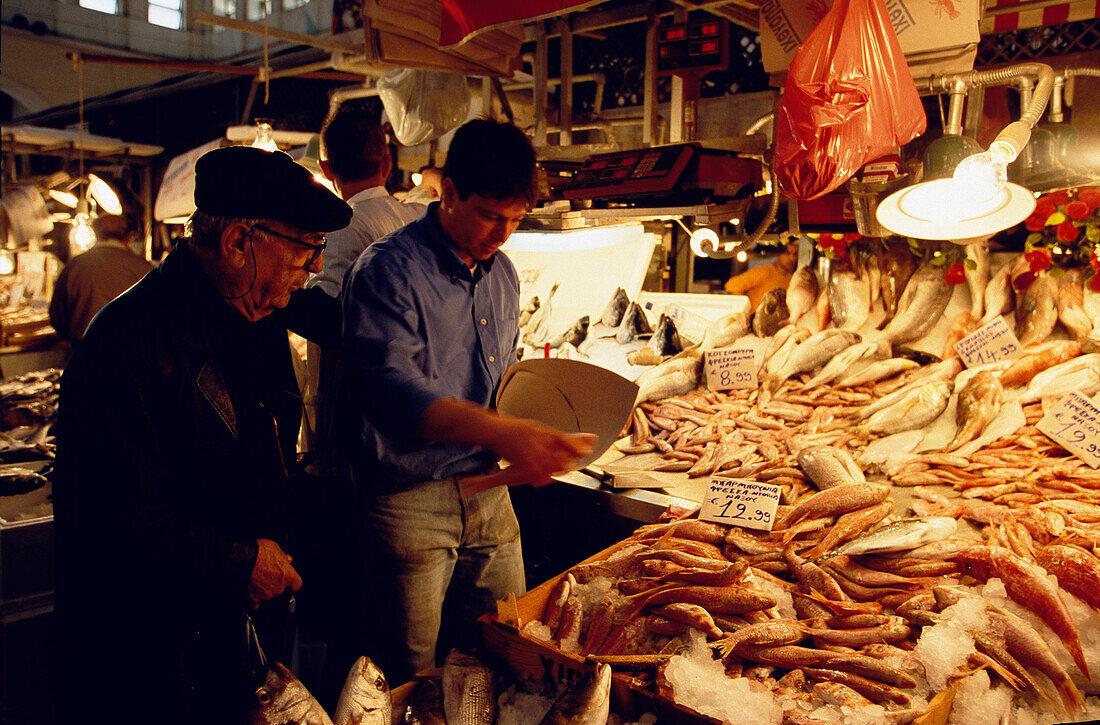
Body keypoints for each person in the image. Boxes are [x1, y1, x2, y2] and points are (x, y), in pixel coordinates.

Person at [53, 145, 352, 723]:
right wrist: (240, 560)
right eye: (305, 247)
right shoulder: (126, 342)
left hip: (235, 632)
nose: (315, 266)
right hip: (150, 655)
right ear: (239, 241)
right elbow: (119, 518)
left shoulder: (257, 309)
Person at [339, 118, 595, 683]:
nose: (502, 234)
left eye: (515, 219)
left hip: (488, 493)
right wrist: (509, 433)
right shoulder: (386, 271)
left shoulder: (502, 274)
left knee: (512, 647)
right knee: (408, 675)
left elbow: (499, 380)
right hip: (408, 501)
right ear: (448, 191)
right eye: (488, 215)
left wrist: (548, 426)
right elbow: (395, 396)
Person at [48, 212, 153, 342]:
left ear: (95, 234)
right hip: (131, 350)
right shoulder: (143, 268)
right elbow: (158, 316)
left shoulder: (75, 266)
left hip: (84, 348)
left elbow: (56, 316)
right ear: (128, 237)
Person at [723, 240, 799, 311]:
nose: (792, 258)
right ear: (778, 253)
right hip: (755, 321)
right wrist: (743, 311)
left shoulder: (793, 280)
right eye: (787, 253)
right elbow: (732, 284)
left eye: (795, 254)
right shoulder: (764, 272)